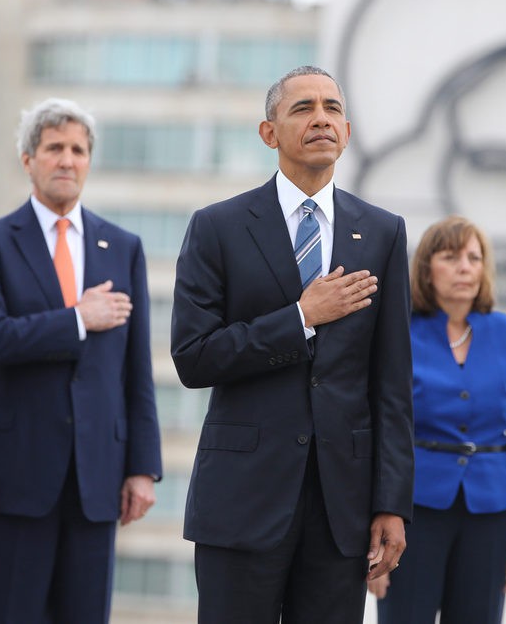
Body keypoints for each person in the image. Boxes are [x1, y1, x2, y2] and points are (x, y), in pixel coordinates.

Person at [171, 65, 414, 624]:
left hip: (341, 507)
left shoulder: (382, 232)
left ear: (348, 133)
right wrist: (301, 317)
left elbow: (393, 383)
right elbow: (193, 356)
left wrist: (391, 502)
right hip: (242, 499)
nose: (321, 119)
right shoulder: (218, 226)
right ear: (269, 132)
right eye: (302, 108)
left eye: (332, 108)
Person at [0, 98, 162, 623]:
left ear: (88, 160)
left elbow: (137, 370)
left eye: (78, 150)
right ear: (29, 160)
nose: (67, 160)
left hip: (97, 478)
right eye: (54, 148)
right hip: (12, 473)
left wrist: (142, 468)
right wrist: (76, 319)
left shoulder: (125, 247)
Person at [370, 216, 506, 623]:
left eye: (474, 257)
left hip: (493, 511)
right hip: (412, 510)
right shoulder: (396, 333)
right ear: (426, 270)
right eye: (450, 257)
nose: (465, 267)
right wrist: (371, 529)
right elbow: (378, 431)